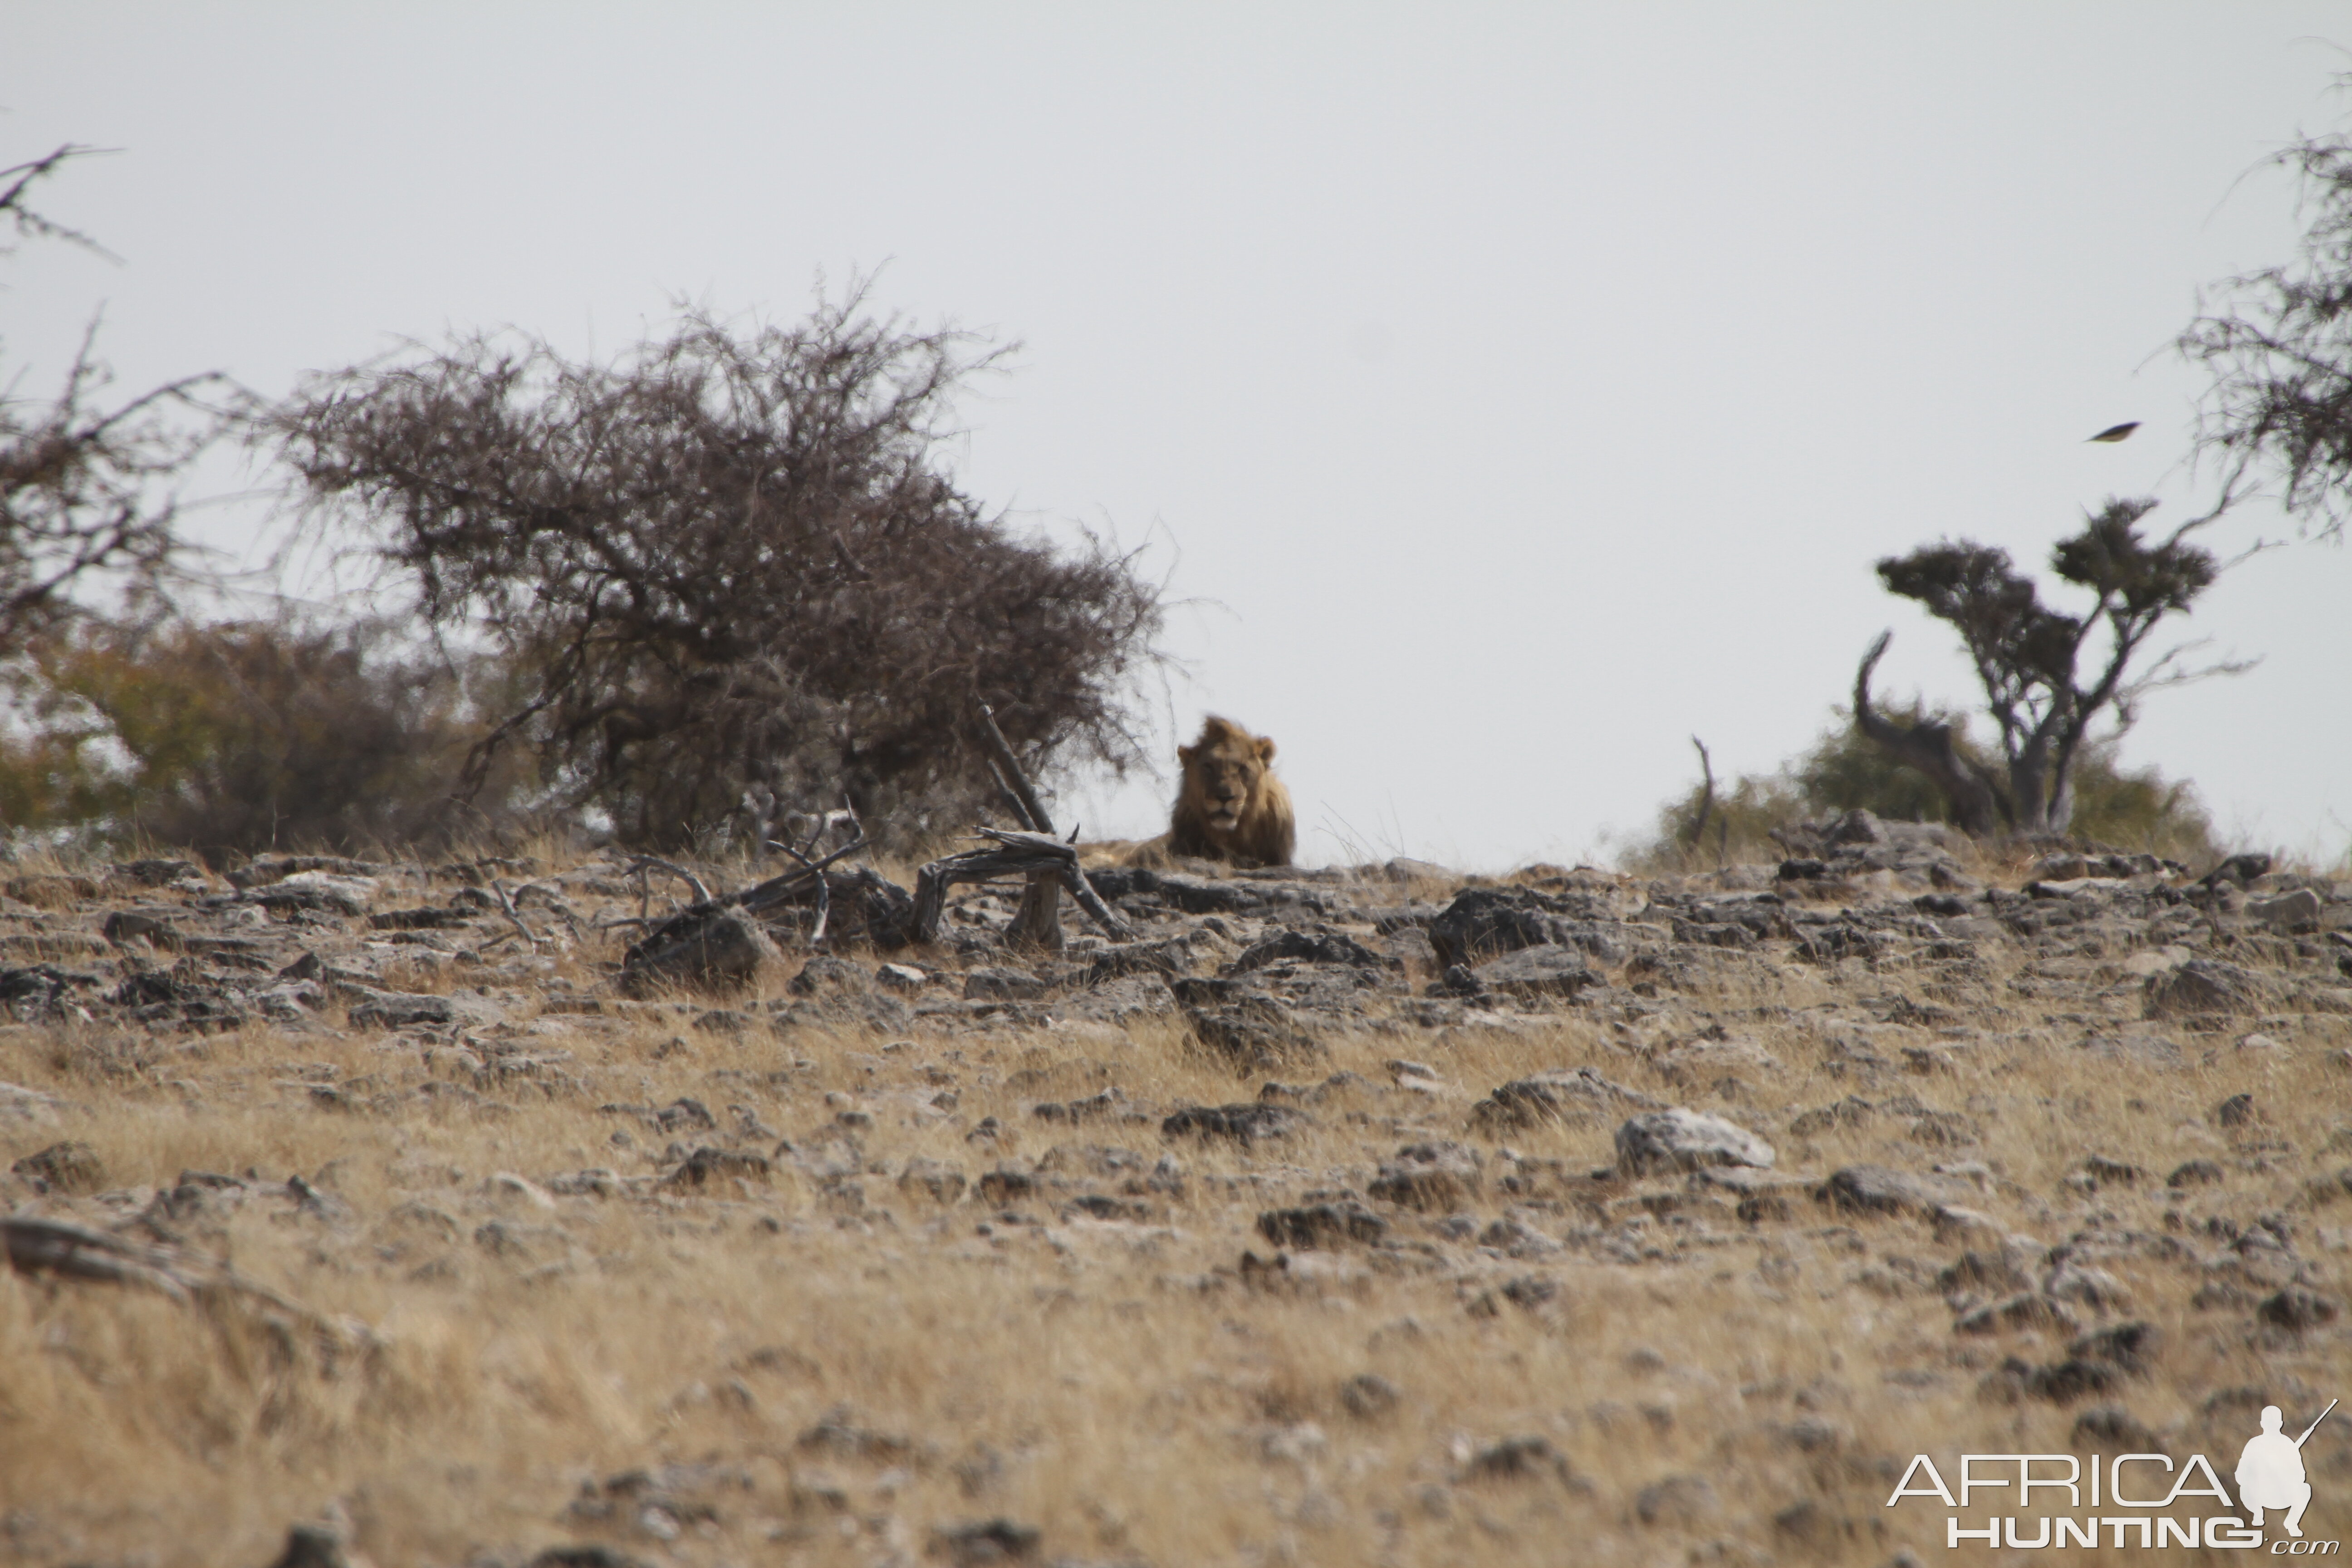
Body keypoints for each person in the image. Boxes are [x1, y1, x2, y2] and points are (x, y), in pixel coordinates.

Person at [2237, 1406, 2313, 1538]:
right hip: (2259, 1495)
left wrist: (2283, 1473)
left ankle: (2292, 1522)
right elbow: (2241, 1475)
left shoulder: (2288, 1445)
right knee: (2245, 1488)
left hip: (2282, 1495)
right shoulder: (2255, 1444)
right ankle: (2258, 1513)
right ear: (2281, 1423)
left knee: (2305, 1489)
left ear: (2262, 1424)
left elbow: (2301, 1476)